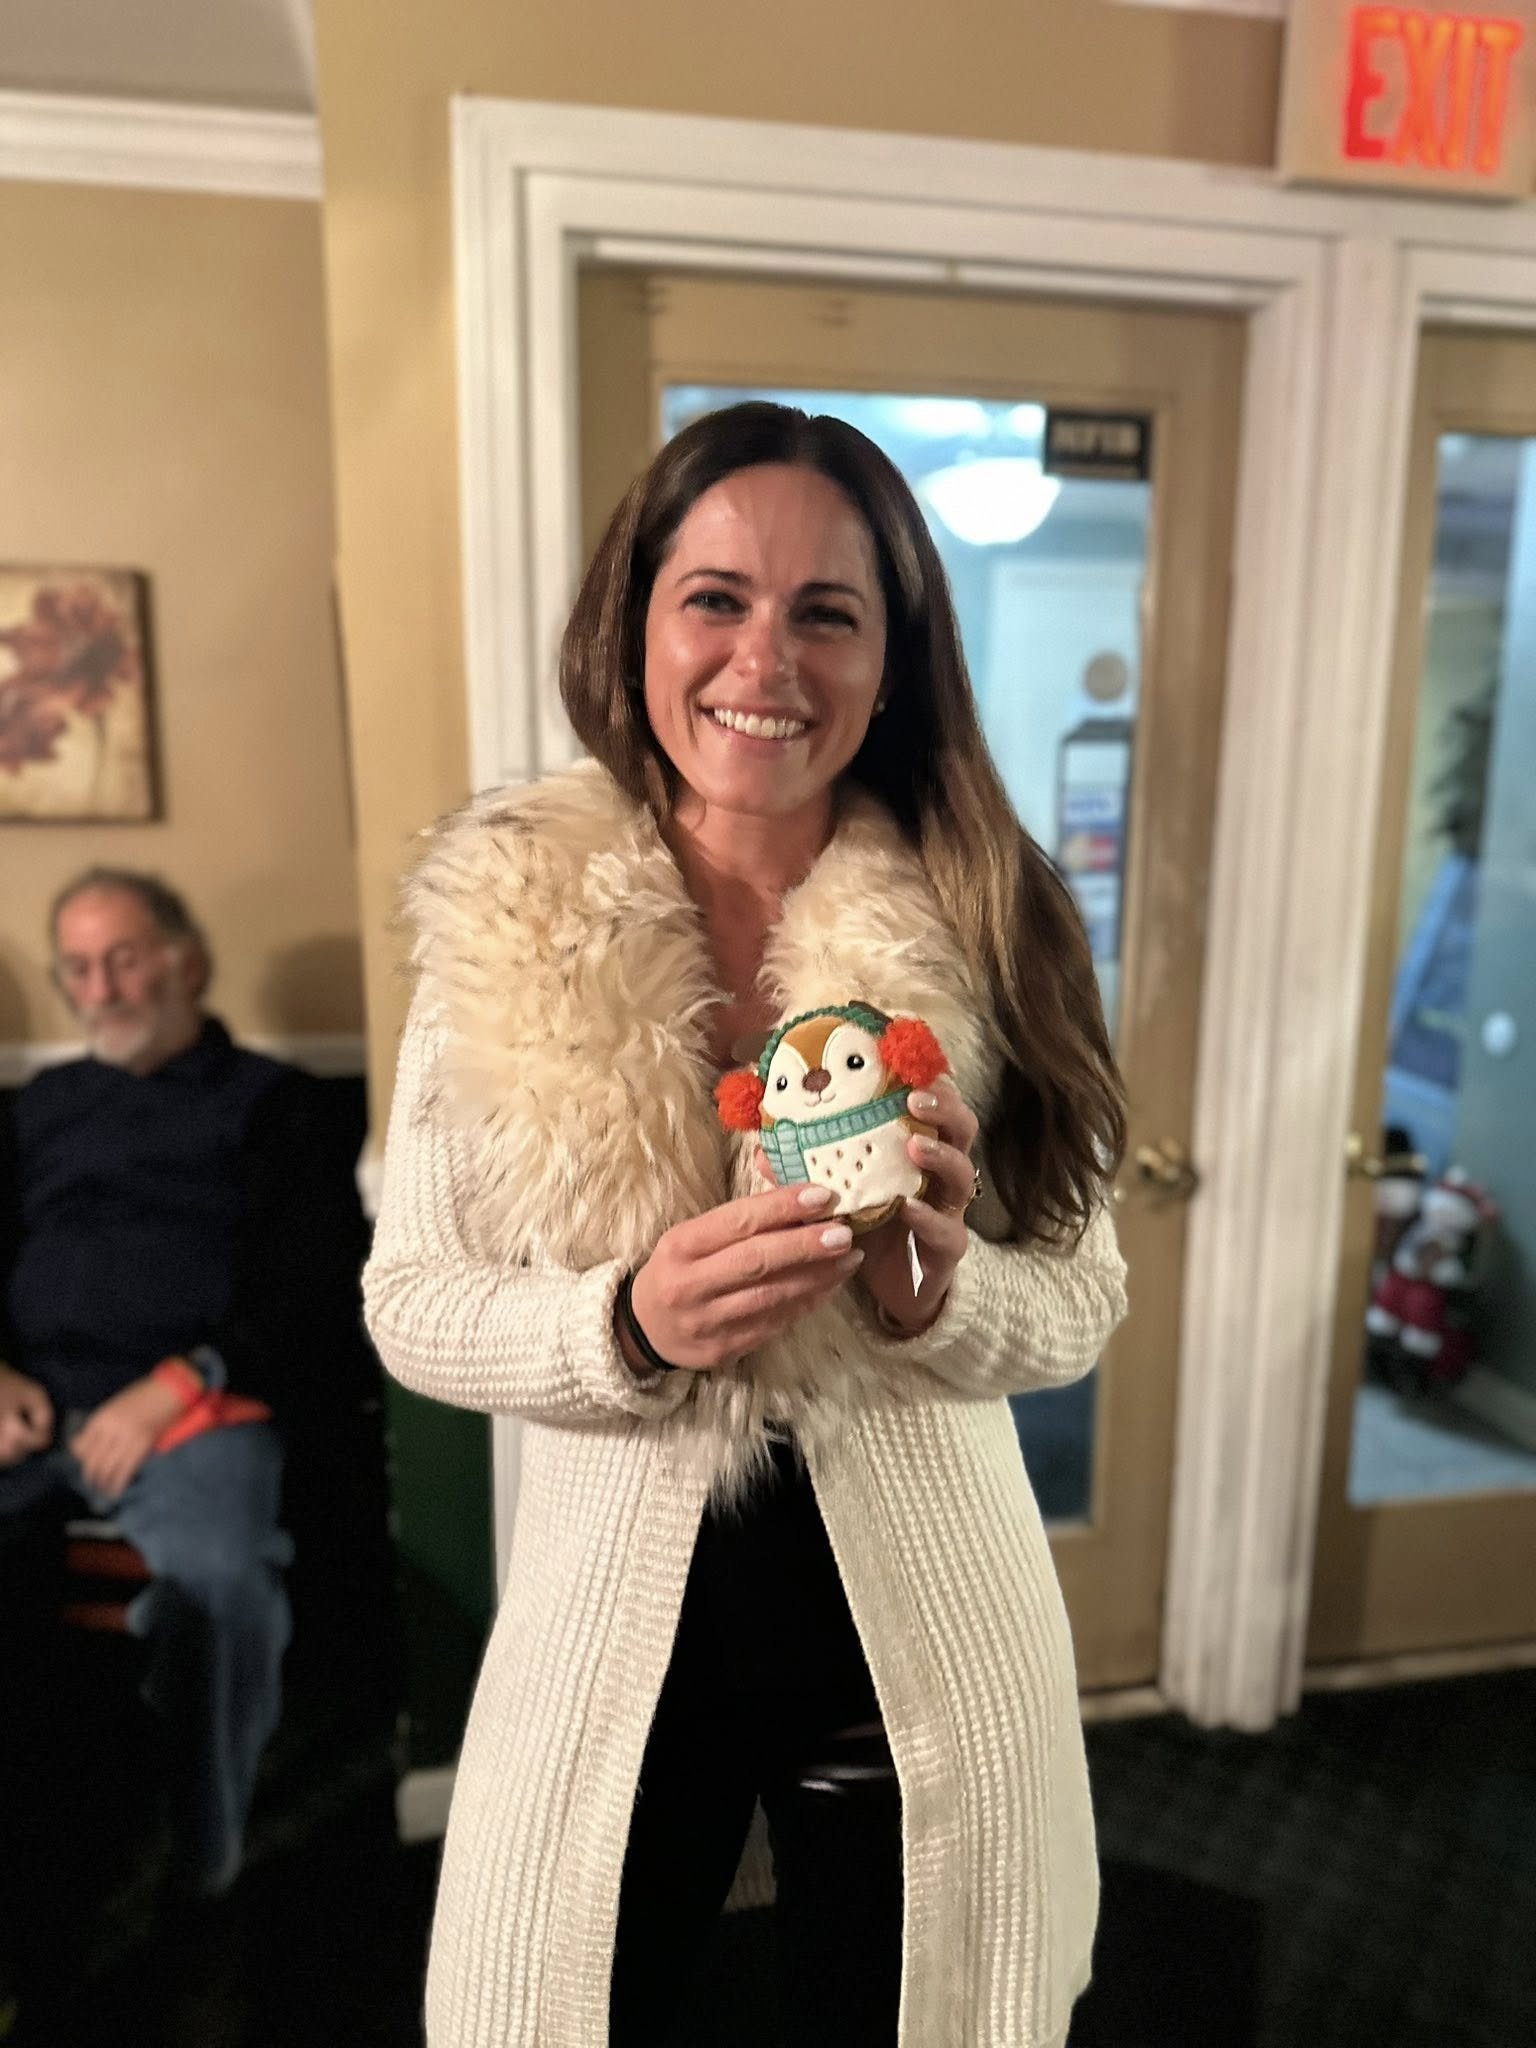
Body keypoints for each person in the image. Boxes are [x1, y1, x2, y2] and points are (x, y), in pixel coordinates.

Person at [364, 401, 1129, 2048]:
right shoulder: (504, 925)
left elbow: (1084, 1297)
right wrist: (624, 1322)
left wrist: (946, 1296)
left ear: (891, 654)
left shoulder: (991, 911)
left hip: (923, 1626)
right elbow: (412, 1298)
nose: (761, 657)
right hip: (610, 1650)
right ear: (634, 617)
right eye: (713, 596)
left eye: (826, 611)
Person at [0, 869, 372, 1934]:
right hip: (33, 1401)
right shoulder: (42, 1111)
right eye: (78, 967)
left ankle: (205, 1856)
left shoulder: (275, 1104)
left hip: (194, 1398)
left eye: (123, 957)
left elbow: (309, 1290)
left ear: (185, 962)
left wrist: (174, 1384)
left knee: (221, 1584)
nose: (101, 988)